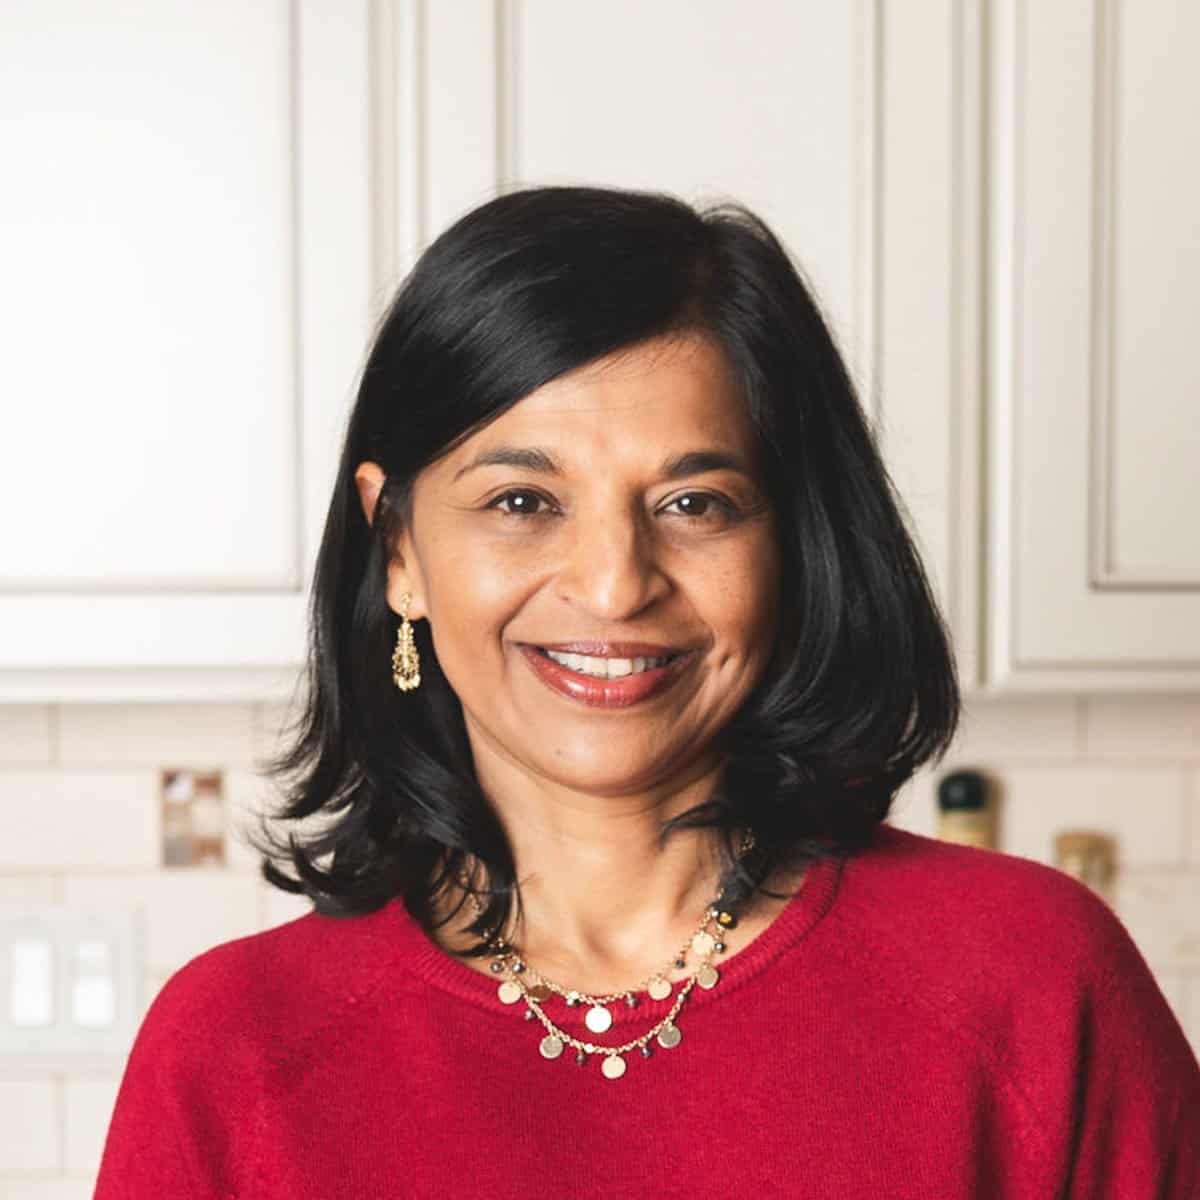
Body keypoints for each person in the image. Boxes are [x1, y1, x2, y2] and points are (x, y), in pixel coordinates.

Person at [95, 185, 1200, 1198]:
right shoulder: (232, 1052)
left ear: (791, 545)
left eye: (695, 504)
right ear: (398, 551)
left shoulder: (1035, 985)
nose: (617, 586)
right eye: (524, 502)